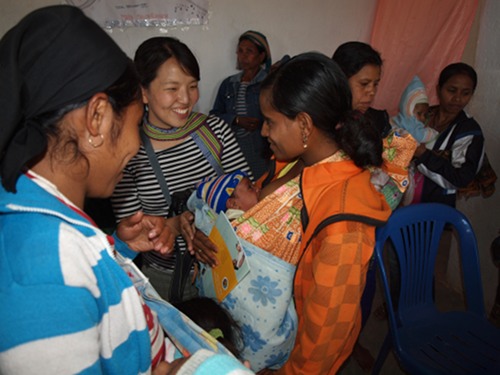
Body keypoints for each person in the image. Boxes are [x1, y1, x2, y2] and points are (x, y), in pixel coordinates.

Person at [0, 6, 255, 375]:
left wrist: (118, 248)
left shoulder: (47, 218)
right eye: (136, 122)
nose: (136, 145)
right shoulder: (40, 275)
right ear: (98, 118)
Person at [111, 36, 252, 302]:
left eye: (192, 86)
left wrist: (206, 225)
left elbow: (250, 201)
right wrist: (175, 225)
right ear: (143, 91)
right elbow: (130, 228)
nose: (186, 99)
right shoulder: (130, 151)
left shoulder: (216, 131)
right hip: (164, 279)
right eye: (172, 88)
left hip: (225, 268)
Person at [413, 62, 484, 207]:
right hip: (401, 202)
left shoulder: (468, 131)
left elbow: (459, 178)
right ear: (439, 90)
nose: (458, 99)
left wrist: (423, 154)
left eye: (465, 93)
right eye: (451, 90)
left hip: (435, 209)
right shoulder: (422, 116)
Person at [210, 30, 272, 179]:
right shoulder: (228, 84)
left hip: (261, 147)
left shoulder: (269, 83)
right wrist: (236, 120)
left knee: (261, 184)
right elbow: (214, 116)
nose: (243, 56)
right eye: (240, 51)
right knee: (239, 186)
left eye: (249, 51)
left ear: (261, 56)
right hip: (233, 147)